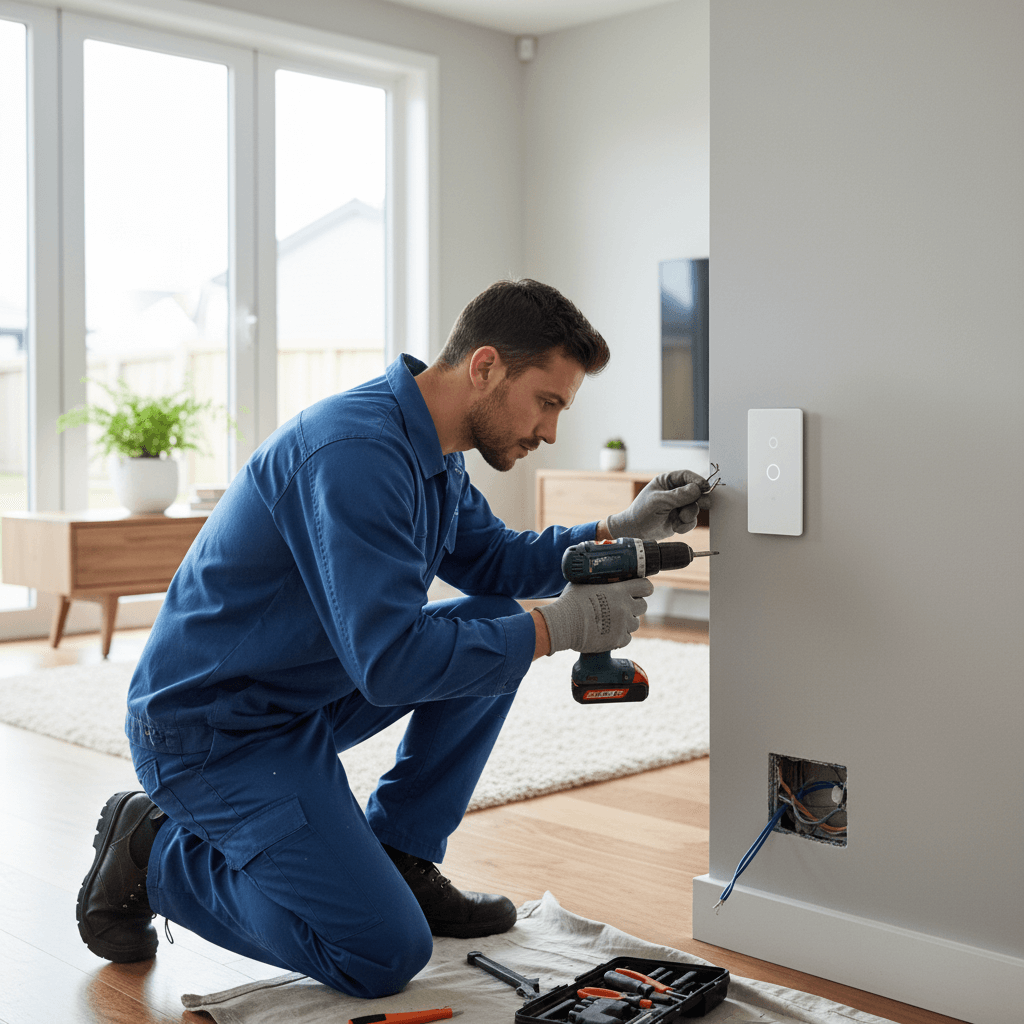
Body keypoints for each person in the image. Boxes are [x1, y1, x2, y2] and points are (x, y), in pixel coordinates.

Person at [75, 278, 710, 999]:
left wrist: (618, 527)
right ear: (486, 367)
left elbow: (492, 561)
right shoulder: (354, 454)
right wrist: (557, 627)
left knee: (487, 612)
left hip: (297, 697)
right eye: (548, 401)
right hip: (211, 733)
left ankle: (401, 852)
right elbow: (392, 665)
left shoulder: (434, 449)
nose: (551, 431)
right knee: (381, 952)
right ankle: (154, 852)